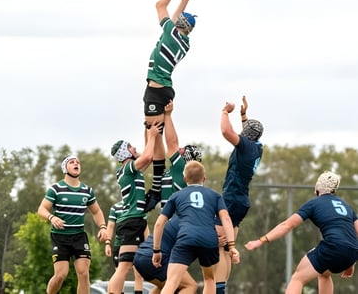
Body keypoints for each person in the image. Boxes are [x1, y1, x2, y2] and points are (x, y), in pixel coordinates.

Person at [245, 171, 358, 294]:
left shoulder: (314, 203)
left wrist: (261, 240)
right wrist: (351, 263)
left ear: (317, 189)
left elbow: (287, 225)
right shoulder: (346, 206)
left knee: (298, 278)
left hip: (333, 247)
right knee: (324, 274)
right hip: (352, 252)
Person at [152, 161, 240, 294]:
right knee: (210, 279)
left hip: (186, 238)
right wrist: (232, 246)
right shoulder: (215, 196)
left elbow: (159, 224)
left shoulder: (176, 196)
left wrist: (156, 250)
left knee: (172, 281)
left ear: (184, 179)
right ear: (204, 178)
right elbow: (226, 219)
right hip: (209, 241)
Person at [143, 0, 197, 207]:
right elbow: (174, 18)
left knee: (154, 138)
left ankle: (156, 188)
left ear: (178, 24)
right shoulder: (183, 40)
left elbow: (160, 4)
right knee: (151, 136)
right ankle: (156, 187)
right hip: (159, 90)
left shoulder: (171, 33)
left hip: (158, 91)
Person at [37, 155, 109, 294]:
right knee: (60, 276)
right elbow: (41, 210)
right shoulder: (56, 189)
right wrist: (52, 217)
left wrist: (103, 227)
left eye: (78, 162)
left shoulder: (87, 191)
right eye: (72, 162)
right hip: (59, 237)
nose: (76, 164)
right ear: (65, 168)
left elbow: (96, 211)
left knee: (84, 274)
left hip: (79, 237)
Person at [214, 95, 264, 293]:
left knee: (218, 245)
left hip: (232, 198)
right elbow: (248, 133)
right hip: (240, 200)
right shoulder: (257, 147)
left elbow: (227, 131)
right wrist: (244, 115)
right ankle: (222, 288)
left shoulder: (245, 146)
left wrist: (225, 112)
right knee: (227, 248)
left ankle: (218, 289)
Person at [107, 122, 162, 294]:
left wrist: (147, 130)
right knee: (123, 268)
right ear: (125, 152)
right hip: (131, 221)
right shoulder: (127, 168)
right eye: (130, 146)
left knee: (133, 265)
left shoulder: (132, 170)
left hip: (136, 221)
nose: (134, 147)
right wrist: (152, 135)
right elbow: (146, 158)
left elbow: (149, 155)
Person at [145, 100, 202, 211]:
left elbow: (172, 143)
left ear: (187, 158)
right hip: (170, 222)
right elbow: (154, 153)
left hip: (175, 222)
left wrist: (168, 115)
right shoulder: (175, 172)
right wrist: (150, 129)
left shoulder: (182, 168)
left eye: (184, 149)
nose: (180, 149)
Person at [133, 215, 198, 294]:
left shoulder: (180, 213)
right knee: (189, 286)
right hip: (155, 258)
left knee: (165, 287)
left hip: (140, 256)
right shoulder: (198, 220)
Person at [105, 201, 149, 294]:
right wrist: (107, 243)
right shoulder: (115, 207)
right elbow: (110, 226)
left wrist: (148, 246)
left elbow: (145, 226)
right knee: (120, 272)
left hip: (138, 245)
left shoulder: (139, 207)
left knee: (139, 275)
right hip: (119, 244)